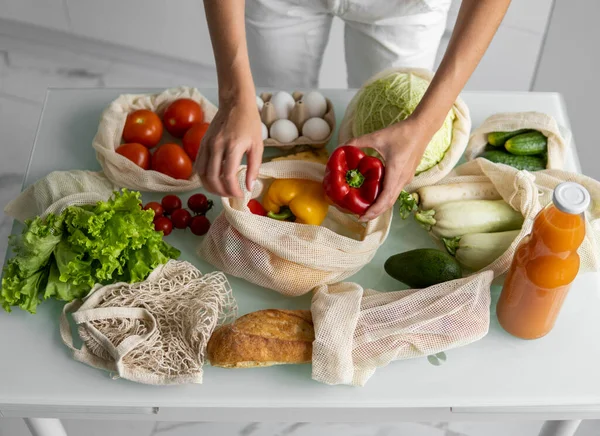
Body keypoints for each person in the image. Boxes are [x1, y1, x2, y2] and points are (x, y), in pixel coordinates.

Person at [198, 0, 511, 221]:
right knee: (271, 107)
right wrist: (234, 96)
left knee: (392, 134)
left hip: (404, 6)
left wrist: (426, 123)